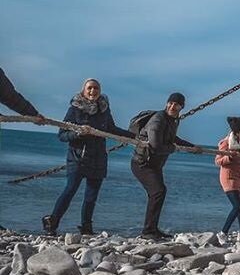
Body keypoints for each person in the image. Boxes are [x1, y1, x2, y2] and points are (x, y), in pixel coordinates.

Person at [42, 78, 133, 236]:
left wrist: (134, 137)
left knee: (91, 196)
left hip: (99, 157)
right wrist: (77, 133)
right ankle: (52, 222)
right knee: (70, 190)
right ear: (84, 91)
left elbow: (111, 129)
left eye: (96, 88)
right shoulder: (75, 109)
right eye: (90, 88)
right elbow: (62, 135)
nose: (93, 91)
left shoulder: (104, 109)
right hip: (78, 157)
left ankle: (86, 227)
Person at [130, 92, 201, 239]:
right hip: (142, 163)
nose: (172, 106)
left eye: (176, 104)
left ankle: (152, 229)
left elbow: (172, 137)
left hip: (154, 165)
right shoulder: (158, 119)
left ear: (181, 107)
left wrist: (191, 147)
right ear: (167, 103)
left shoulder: (173, 120)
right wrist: (175, 149)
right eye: (171, 103)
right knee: (158, 192)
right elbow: (155, 146)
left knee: (157, 193)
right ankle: (148, 231)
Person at [215, 116, 240, 240]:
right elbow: (218, 161)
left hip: (239, 177)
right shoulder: (226, 142)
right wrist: (230, 157)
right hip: (228, 177)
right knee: (237, 207)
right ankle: (223, 233)